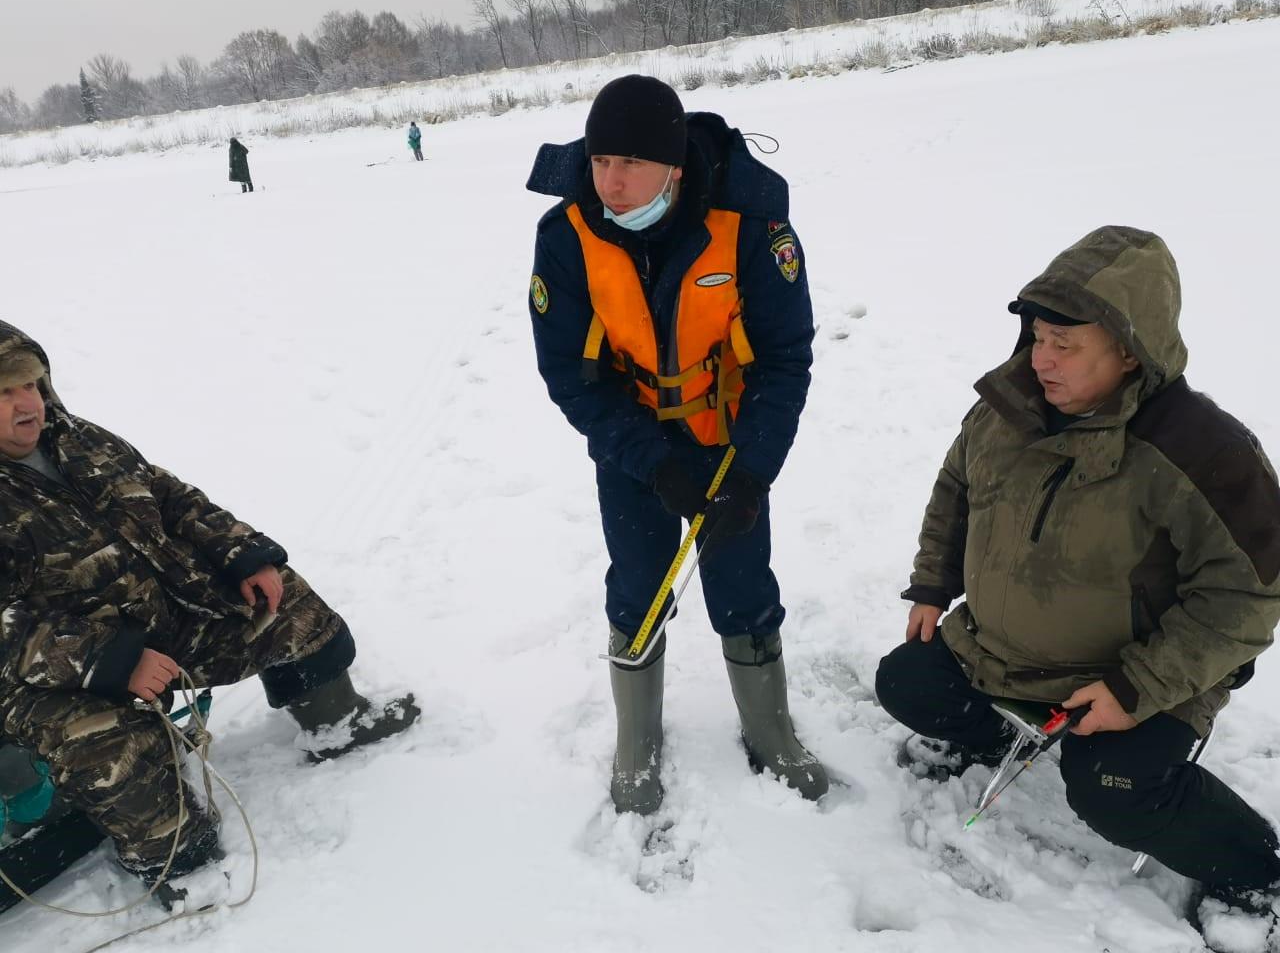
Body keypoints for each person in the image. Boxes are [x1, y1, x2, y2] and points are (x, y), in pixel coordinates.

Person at [875, 226, 1280, 933]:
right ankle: (990, 739)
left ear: (1129, 351)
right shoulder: (1006, 409)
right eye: (1036, 338)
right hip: (1002, 650)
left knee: (1114, 790)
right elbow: (956, 490)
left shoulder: (1204, 451)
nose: (1042, 361)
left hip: (1129, 674)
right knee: (904, 681)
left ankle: (1256, 872)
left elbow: (1250, 595)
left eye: (1066, 346)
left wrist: (1137, 689)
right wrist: (933, 584)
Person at [0, 321, 419, 900]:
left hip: (157, 621)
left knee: (282, 602)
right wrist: (112, 661)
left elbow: (165, 495)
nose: (28, 404)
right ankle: (180, 861)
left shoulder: (78, 439)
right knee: (107, 740)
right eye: (3, 392)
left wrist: (240, 551)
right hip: (49, 677)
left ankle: (336, 721)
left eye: (31, 384)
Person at [525, 74, 828, 815]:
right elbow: (571, 372)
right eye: (599, 163)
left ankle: (770, 730)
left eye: (630, 163)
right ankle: (637, 739)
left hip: (726, 438)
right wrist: (651, 461)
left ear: (675, 166)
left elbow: (784, 358)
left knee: (743, 582)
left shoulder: (750, 225)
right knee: (638, 581)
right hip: (632, 442)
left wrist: (750, 474)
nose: (611, 182)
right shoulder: (566, 235)